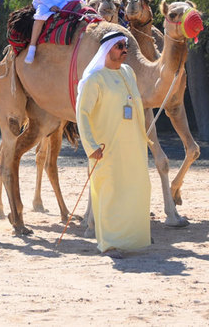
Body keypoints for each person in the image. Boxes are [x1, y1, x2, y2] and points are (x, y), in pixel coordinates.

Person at [76, 30, 151, 256]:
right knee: (109, 191)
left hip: (133, 146)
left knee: (135, 189)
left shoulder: (128, 72)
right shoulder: (94, 79)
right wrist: (91, 146)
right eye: (119, 46)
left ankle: (131, 240)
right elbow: (82, 114)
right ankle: (109, 243)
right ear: (107, 51)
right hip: (105, 149)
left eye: (125, 45)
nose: (124, 50)